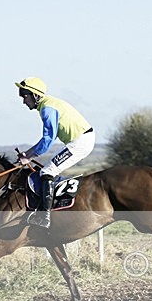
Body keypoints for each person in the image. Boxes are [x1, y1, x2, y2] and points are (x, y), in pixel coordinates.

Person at [15, 77, 95, 229]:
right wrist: (28, 154)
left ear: (35, 95)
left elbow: (48, 140)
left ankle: (44, 217)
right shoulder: (48, 104)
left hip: (80, 142)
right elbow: (46, 139)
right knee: (48, 170)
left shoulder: (47, 109)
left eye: (25, 96)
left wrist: (30, 157)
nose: (24, 101)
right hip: (81, 140)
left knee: (47, 171)